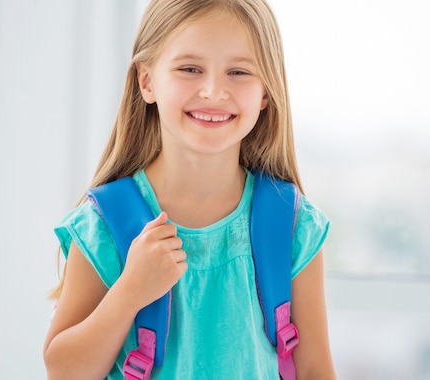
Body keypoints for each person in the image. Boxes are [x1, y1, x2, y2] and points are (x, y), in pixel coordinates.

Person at [43, 0, 336, 378]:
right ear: (146, 82)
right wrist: (130, 291)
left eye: (239, 71)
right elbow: (63, 372)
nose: (214, 90)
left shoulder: (292, 224)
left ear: (266, 92)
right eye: (190, 69)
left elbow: (315, 370)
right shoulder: (104, 225)